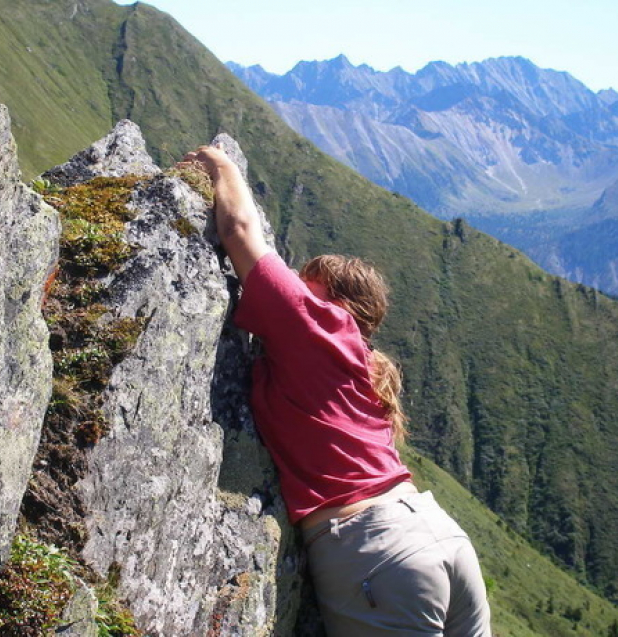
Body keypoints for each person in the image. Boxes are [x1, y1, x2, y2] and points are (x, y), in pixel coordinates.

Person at [182, 144, 492, 636]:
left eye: (308, 287)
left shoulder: (320, 329)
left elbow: (239, 231)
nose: (296, 292)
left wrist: (220, 164)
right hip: (438, 534)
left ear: (335, 303)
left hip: (378, 552)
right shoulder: (367, 369)